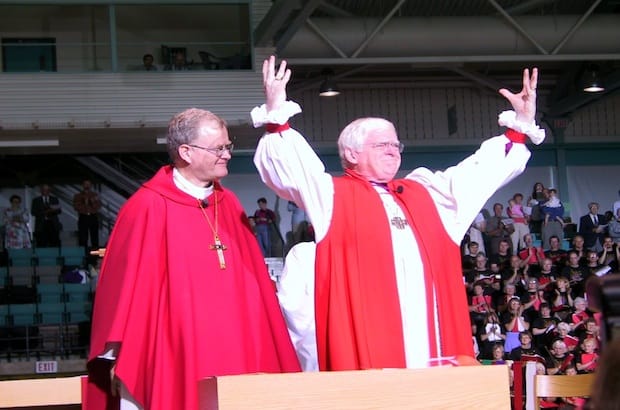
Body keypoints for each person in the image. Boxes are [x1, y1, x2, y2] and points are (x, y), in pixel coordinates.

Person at [253, 55, 544, 370]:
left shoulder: (427, 193)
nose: (393, 151)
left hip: (432, 346)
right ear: (351, 153)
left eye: (396, 145)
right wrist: (276, 115)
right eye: (382, 145)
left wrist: (520, 126)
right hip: (373, 349)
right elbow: (293, 170)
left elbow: (477, 174)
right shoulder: (332, 196)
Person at [86, 108, 300, 410]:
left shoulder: (229, 204)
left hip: (237, 341)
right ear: (186, 152)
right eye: (218, 148)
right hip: (175, 347)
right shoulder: (147, 206)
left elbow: (252, 282)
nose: (227, 155)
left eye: (228, 146)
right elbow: (124, 291)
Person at [73, 179, 102, 250]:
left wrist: (92, 202)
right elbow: (76, 207)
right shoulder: (78, 196)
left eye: (88, 184)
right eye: (86, 184)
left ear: (91, 185)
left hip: (93, 217)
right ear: (83, 185)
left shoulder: (95, 195)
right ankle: (83, 253)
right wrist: (85, 204)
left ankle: (95, 253)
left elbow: (98, 206)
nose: (87, 186)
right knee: (83, 237)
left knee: (94, 236)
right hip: (83, 217)